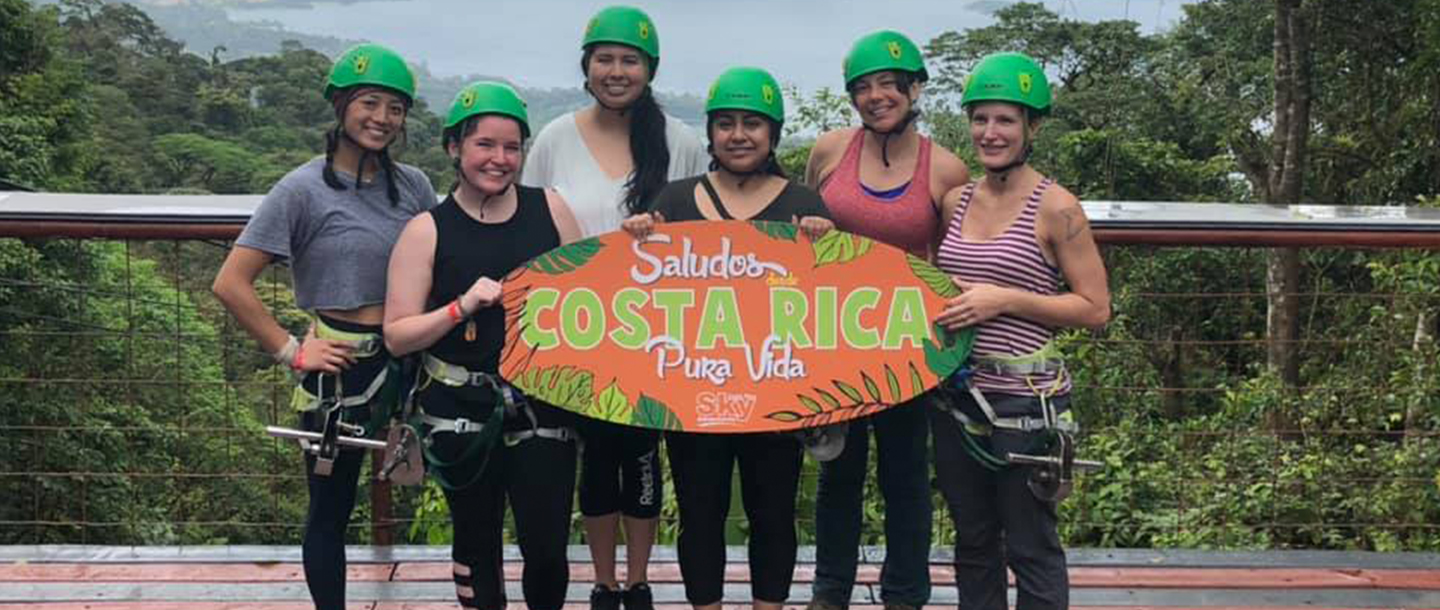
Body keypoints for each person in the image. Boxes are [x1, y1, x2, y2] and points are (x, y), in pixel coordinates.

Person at [211, 44, 436, 610]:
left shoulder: (412, 186)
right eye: (369, 103)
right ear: (340, 106)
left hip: (405, 359)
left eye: (395, 108)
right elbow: (231, 282)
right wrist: (291, 350)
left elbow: (441, 262)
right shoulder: (301, 190)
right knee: (331, 507)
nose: (382, 118)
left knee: (424, 487)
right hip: (336, 372)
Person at [622, 66, 832, 610]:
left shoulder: (804, 204)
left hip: (778, 391)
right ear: (711, 133)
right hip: (694, 393)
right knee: (699, 511)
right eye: (727, 124)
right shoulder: (677, 198)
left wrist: (824, 245)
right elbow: (642, 290)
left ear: (773, 134)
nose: (739, 135)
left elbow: (830, 299)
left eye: (753, 124)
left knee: (773, 513)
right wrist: (642, 238)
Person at [521, 6, 707, 609]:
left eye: (630, 60)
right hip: (579, 329)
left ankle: (639, 581)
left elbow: (709, 229)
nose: (617, 70)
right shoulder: (554, 139)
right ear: (586, 66)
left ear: (649, 70)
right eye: (605, 59)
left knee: (643, 457)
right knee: (595, 459)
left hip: (658, 333)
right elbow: (530, 226)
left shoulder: (679, 143)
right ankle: (602, 582)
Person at [383, 81, 584, 610]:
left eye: (512, 147)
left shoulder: (552, 211)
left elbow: (590, 302)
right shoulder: (428, 231)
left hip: (544, 402)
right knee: (476, 542)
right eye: (484, 145)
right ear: (454, 148)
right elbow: (397, 333)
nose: (499, 159)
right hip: (460, 406)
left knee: (546, 548)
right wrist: (460, 307)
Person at [930, 52, 1111, 610]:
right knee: (974, 541)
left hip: (1026, 402)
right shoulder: (956, 201)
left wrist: (1005, 299)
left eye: (1005, 120)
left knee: (1031, 544)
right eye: (980, 119)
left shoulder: (1057, 208)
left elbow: (1095, 307)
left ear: (1032, 126)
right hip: (959, 396)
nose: (990, 133)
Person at [802, 30, 972, 610]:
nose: (876, 96)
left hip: (907, 342)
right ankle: (831, 591)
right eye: (864, 87)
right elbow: (802, 233)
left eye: (888, 85)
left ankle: (905, 593)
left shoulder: (945, 169)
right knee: (837, 471)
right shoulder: (830, 152)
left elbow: (954, 259)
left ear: (914, 89)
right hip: (835, 339)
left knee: (904, 474)